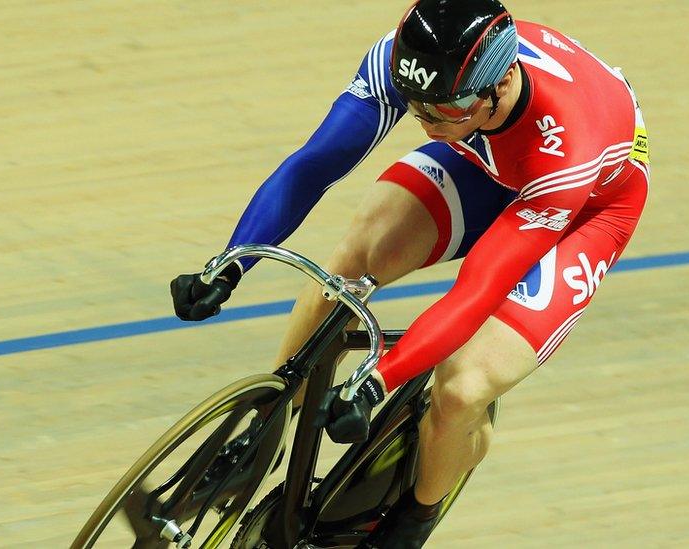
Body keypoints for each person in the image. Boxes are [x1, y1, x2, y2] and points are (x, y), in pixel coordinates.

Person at [171, 0, 650, 546]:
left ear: (502, 81)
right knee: (353, 258)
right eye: (417, 108)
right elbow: (312, 165)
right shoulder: (417, 66)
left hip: (585, 205)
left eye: (444, 112)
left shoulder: (569, 143)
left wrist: (376, 382)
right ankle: (267, 428)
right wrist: (231, 263)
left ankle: (415, 518)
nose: (426, 123)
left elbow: (479, 290)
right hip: (489, 161)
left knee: (462, 388)